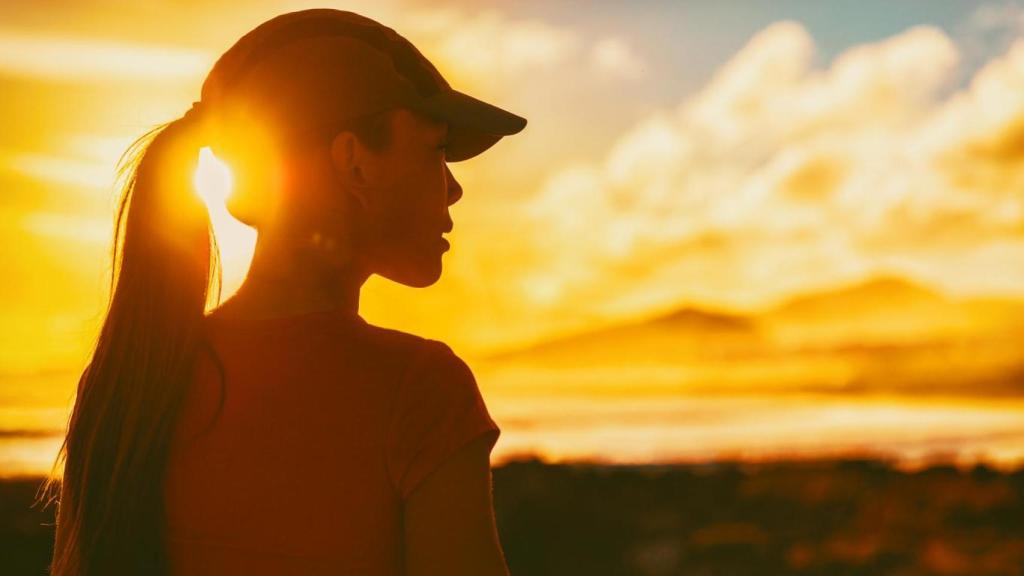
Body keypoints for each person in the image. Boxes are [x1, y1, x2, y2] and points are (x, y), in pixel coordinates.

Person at [42, 8, 526, 575]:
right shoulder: (419, 390)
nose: (453, 187)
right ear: (354, 162)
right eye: (437, 150)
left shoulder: (131, 380)